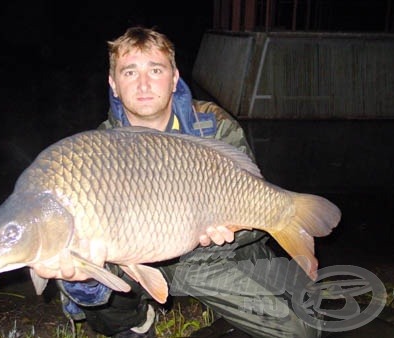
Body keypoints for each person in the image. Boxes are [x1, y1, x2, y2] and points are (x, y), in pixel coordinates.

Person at [33, 27, 322, 338]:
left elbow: (253, 208)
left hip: (205, 259)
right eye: (129, 72)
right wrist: (83, 279)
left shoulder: (213, 126)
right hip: (135, 257)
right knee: (81, 262)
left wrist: (231, 232)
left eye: (155, 70)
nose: (143, 83)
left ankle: (228, 309)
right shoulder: (97, 151)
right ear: (113, 84)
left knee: (302, 331)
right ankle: (135, 323)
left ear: (174, 78)